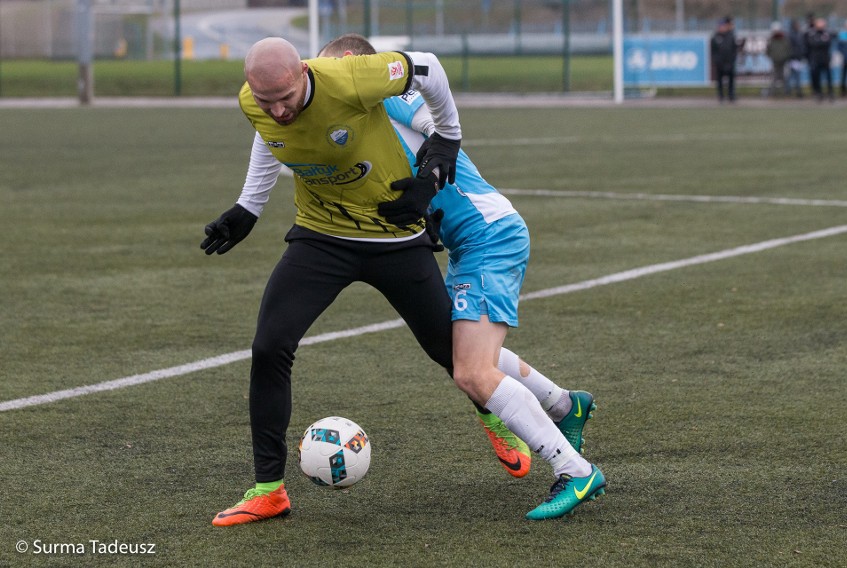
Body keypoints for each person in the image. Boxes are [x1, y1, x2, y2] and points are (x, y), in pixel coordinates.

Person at [201, 38, 586, 526]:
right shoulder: (260, 101)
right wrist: (248, 208)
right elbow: (273, 135)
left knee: (460, 357)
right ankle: (268, 489)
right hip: (324, 239)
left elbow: (431, 108)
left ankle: (504, 415)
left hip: (402, 242)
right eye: (266, 99)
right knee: (270, 345)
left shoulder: (364, 83)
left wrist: (437, 161)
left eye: (284, 97)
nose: (276, 109)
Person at [319, 33, 606, 521]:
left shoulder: (393, 95)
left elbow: (439, 131)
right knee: (465, 355)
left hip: (489, 236)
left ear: (350, 64)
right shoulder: (363, 119)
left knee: (472, 371)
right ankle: (563, 405)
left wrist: (429, 181)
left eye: (329, 73)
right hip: (470, 242)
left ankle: (575, 471)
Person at [804, 17, 835, 101]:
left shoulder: (826, 33)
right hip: (815, 59)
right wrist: (821, 42)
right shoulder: (812, 34)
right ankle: (818, 93)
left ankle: (830, 93)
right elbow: (812, 44)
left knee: (828, 76)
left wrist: (819, 43)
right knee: (816, 77)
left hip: (825, 59)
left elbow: (827, 43)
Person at [711, 16, 738, 103]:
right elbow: (713, 51)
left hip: (729, 62)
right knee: (719, 80)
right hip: (720, 63)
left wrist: (732, 60)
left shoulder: (731, 36)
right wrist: (717, 60)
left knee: (731, 80)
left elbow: (734, 49)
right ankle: (721, 96)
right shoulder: (715, 37)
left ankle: (731, 95)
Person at [766, 22, 791, 97]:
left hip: (784, 61)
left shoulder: (784, 39)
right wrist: (772, 57)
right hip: (775, 62)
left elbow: (788, 49)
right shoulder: (771, 40)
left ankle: (786, 92)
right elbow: (768, 50)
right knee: (774, 77)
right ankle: (772, 92)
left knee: (784, 77)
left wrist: (785, 57)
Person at [786, 20, 806, 98]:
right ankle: (796, 91)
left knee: (793, 75)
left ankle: (791, 91)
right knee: (794, 75)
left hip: (797, 58)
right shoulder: (792, 35)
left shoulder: (798, 34)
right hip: (793, 58)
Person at [838, 18, 847, 96]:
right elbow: (839, 48)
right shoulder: (842, 35)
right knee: (844, 75)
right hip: (845, 59)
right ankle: (843, 91)